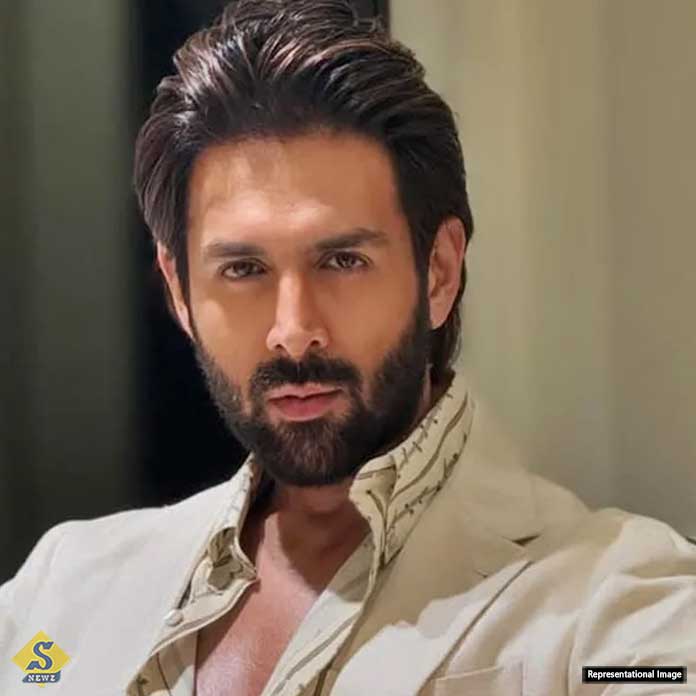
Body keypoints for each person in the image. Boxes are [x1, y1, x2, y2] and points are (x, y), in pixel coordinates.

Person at [2, 1, 695, 694]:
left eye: (342, 261)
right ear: (180, 290)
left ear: (439, 271)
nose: (293, 329)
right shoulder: (63, 592)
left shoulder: (616, 609)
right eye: (243, 270)